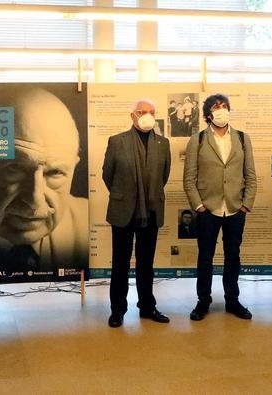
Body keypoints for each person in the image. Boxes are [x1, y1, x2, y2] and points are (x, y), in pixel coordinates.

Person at [0, 87, 87, 275]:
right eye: (14, 169)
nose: (35, 202)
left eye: (55, 173)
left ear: (73, 168)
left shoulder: (89, 225)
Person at [183, 93, 257, 321]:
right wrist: (198, 206)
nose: (222, 110)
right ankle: (203, 301)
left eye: (224, 106)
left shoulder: (243, 139)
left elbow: (251, 176)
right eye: (216, 107)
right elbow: (189, 179)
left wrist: (246, 205)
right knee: (205, 257)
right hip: (208, 209)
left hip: (235, 209)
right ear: (208, 114)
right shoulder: (197, 140)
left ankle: (232, 300)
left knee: (233, 257)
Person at [102, 99, 172, 328]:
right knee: (120, 263)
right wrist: (126, 194)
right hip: (123, 210)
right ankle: (117, 310)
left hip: (150, 211)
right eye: (142, 112)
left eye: (152, 112)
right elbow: (108, 175)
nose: (147, 116)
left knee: (146, 263)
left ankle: (147, 307)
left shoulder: (163, 143)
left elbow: (163, 176)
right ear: (132, 116)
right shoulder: (117, 141)